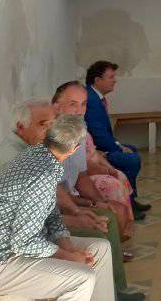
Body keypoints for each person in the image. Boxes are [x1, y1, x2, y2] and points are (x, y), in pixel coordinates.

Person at [0, 115, 131, 301]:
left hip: (13, 252)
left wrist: (68, 248)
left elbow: (51, 215)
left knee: (99, 248)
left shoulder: (38, 156)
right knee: (82, 279)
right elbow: (24, 242)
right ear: (74, 150)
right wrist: (68, 256)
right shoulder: (42, 173)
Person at [53, 82, 136, 291]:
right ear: (57, 107)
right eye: (73, 104)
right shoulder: (50, 136)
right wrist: (79, 208)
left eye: (83, 105)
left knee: (114, 210)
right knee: (105, 223)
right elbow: (52, 191)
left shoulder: (78, 131)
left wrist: (99, 200)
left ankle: (116, 288)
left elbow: (81, 175)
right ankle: (108, 288)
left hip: (69, 200)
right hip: (58, 207)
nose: (79, 110)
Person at [84, 61, 150, 214]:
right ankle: (129, 205)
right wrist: (118, 147)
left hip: (99, 147)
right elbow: (99, 134)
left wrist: (119, 145)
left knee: (131, 150)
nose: (115, 80)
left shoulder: (95, 96)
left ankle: (131, 200)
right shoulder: (92, 100)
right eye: (111, 77)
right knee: (131, 159)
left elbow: (102, 132)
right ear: (97, 80)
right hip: (96, 152)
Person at [0, 99, 56, 198]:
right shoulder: (16, 157)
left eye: (52, 124)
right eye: (43, 125)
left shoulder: (26, 147)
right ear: (21, 127)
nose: (50, 132)